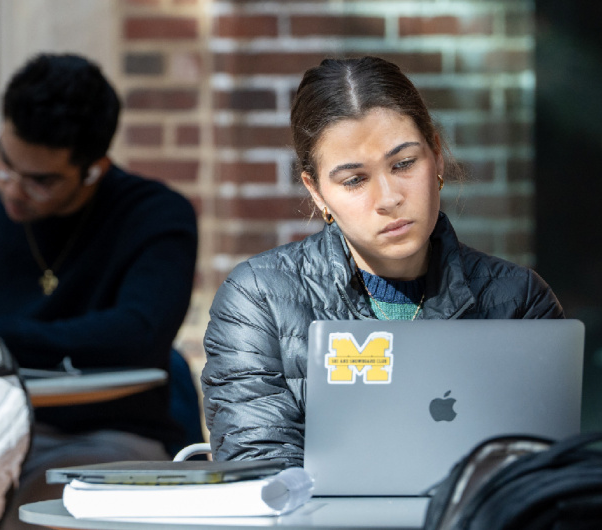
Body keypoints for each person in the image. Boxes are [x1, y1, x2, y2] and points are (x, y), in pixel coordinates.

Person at [201, 56, 563, 468]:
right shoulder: (258, 299)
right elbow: (261, 473)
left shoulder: (517, 298)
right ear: (317, 192)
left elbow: (536, 473)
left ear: (437, 157)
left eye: (404, 163)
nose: (389, 198)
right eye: (355, 180)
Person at [0, 53, 198, 528]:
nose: (11, 189)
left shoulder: (154, 217)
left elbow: (138, 334)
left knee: (51, 512)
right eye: (2, 161)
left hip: (104, 430)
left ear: (94, 169)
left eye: (41, 181)